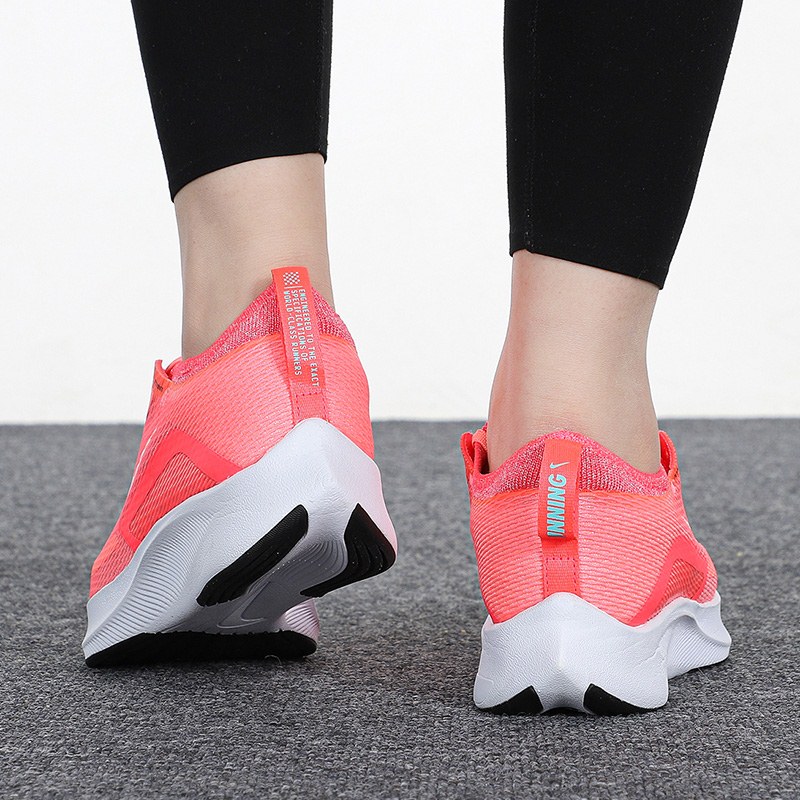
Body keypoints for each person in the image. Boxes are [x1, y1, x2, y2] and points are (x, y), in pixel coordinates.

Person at [82, 1, 743, 714]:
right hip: (594, 540)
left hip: (261, 403)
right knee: (577, 371)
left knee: (251, 275)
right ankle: (586, 490)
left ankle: (253, 386)